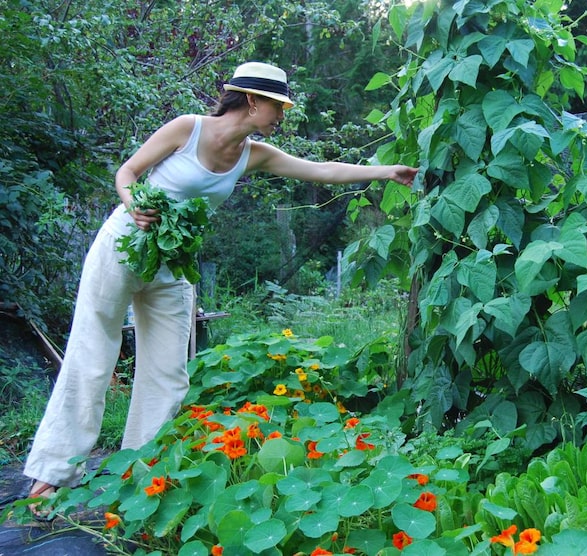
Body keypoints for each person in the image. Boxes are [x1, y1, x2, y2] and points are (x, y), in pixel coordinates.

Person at [24, 61, 417, 514]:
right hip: (125, 245)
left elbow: (321, 171)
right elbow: (127, 173)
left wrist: (386, 172)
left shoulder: (255, 153)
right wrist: (135, 206)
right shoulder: (186, 128)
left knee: (168, 374)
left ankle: (136, 476)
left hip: (174, 260)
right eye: (278, 105)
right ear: (252, 100)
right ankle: (51, 475)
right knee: (93, 354)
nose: (282, 115)